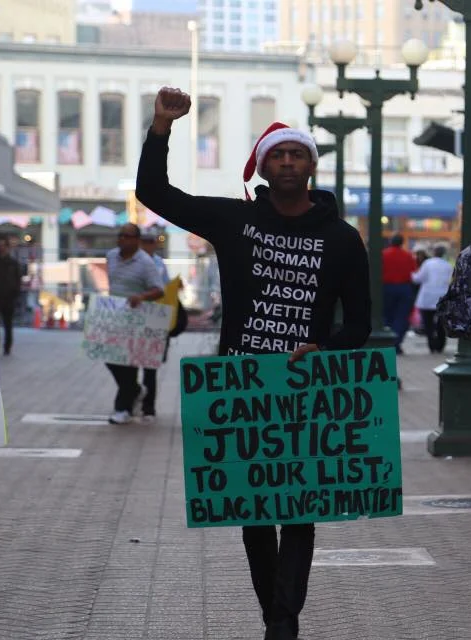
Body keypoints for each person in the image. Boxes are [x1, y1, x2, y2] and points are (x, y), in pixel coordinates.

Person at [135, 86, 371, 640]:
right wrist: (161, 128)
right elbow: (154, 192)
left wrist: (327, 350)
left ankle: (281, 622)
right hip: (240, 389)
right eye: (277, 155)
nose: (287, 162)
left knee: (301, 512)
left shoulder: (342, 240)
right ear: (262, 167)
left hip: (308, 390)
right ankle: (278, 616)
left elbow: (358, 325)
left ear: (311, 165)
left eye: (297, 154)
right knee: (255, 515)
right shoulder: (232, 222)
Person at [104, 223, 164, 424]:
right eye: (120, 235)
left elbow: (159, 290)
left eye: (127, 236)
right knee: (109, 357)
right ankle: (136, 390)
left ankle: (122, 408)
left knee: (128, 363)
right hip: (114, 316)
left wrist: (141, 296)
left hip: (136, 319)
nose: (121, 239)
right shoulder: (111, 256)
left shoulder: (146, 263)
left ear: (136, 240)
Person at [138, 230, 172, 421]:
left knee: (151, 366)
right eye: (145, 241)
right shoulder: (133, 261)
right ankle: (131, 400)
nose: (148, 245)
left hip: (155, 318)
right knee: (130, 364)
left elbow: (166, 290)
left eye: (151, 242)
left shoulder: (160, 264)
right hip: (135, 317)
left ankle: (148, 408)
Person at [411, 243, 453, 354]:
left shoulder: (427, 263)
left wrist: (411, 275)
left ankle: (431, 345)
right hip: (442, 297)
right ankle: (440, 345)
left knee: (428, 323)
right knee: (440, 324)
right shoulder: (447, 265)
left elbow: (418, 278)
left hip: (427, 297)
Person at [381, 233, 417, 354]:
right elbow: (413, 270)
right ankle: (396, 342)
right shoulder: (407, 255)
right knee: (401, 316)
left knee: (386, 315)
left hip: (386, 287)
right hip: (404, 287)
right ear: (402, 242)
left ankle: (386, 341)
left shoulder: (383, 254)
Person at [0, 235, 23, 356]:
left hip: (9, 297)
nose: (1, 248)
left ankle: (7, 347)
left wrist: (16, 295)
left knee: (8, 324)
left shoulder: (13, 263)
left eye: (4, 246)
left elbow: (18, 280)